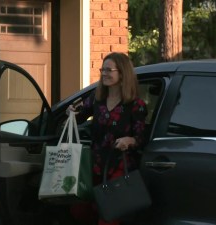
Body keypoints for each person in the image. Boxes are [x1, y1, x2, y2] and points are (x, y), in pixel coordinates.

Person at [68, 52, 148, 225]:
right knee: (80, 211)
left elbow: (141, 138)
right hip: (94, 165)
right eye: (102, 69)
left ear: (122, 73)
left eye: (109, 70)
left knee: (109, 217)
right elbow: (78, 118)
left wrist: (130, 140)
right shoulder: (96, 100)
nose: (104, 73)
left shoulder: (136, 106)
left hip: (119, 168)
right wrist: (71, 113)